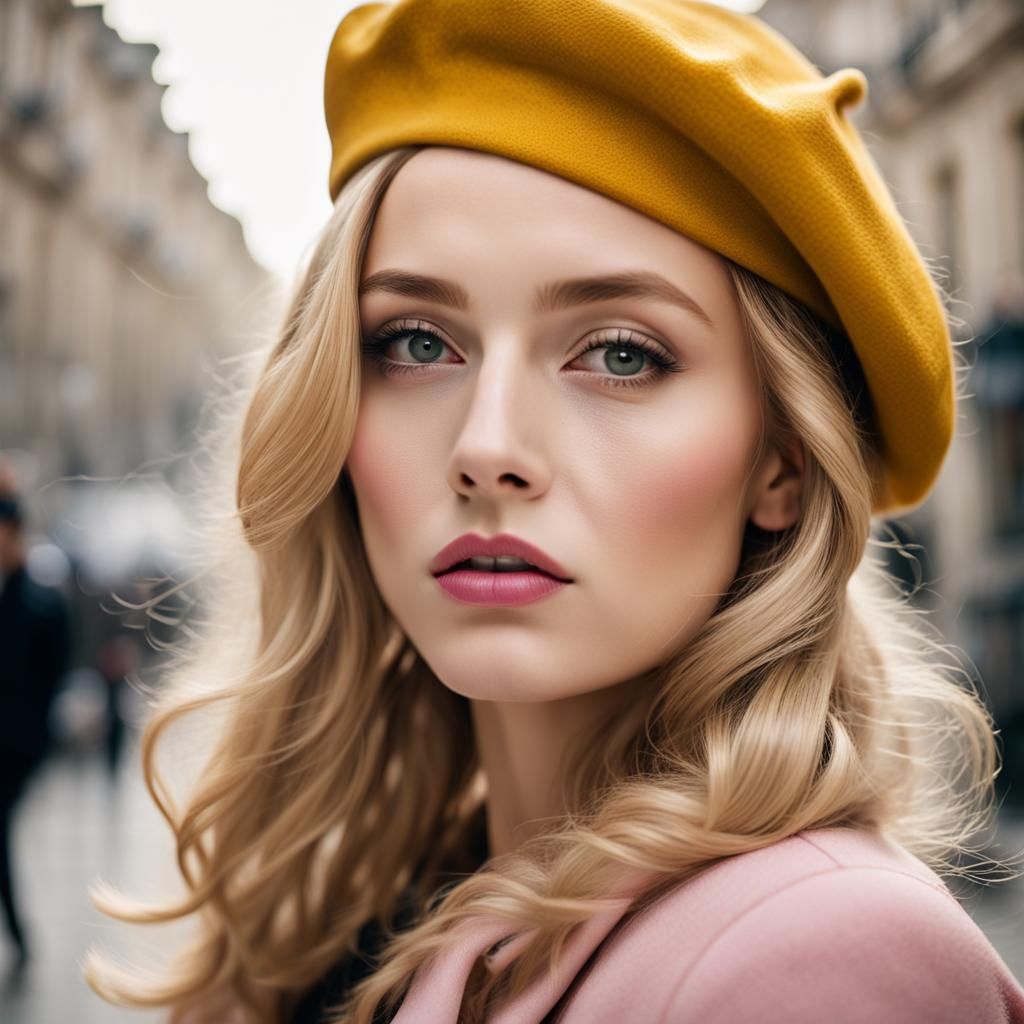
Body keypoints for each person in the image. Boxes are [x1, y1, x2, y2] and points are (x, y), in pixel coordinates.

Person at [84, 1, 1024, 1022]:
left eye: (621, 353)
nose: (487, 447)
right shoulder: (371, 912)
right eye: (415, 342)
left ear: (783, 463)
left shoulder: (827, 962)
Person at [0, 487, 72, 968]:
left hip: (16, 745)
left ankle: (20, 933)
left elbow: (53, 676)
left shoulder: (43, 603)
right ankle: (18, 931)